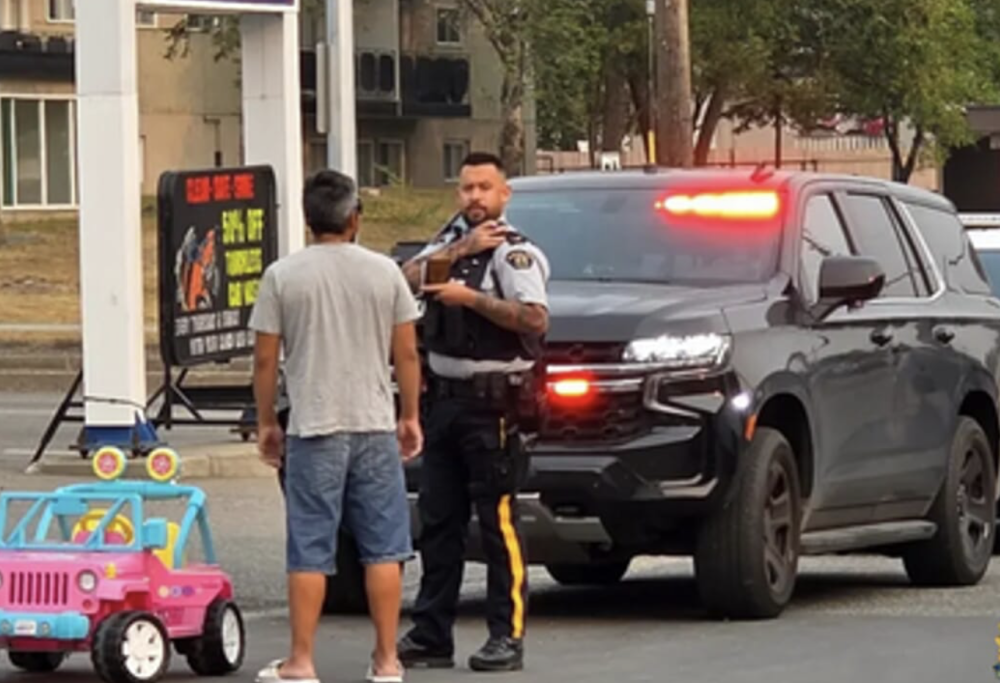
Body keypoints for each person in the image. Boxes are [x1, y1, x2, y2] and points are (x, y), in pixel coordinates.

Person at [249, 169, 424, 683]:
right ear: (354, 218)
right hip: (373, 423)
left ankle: (301, 660)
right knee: (384, 547)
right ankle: (388, 660)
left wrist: (265, 422)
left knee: (309, 546)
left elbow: (264, 360)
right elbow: (407, 351)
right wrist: (408, 414)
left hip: (313, 424)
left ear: (308, 220)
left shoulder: (283, 275)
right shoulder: (384, 273)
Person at [396, 152, 550, 672]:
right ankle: (431, 635)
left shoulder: (515, 255)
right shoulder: (449, 245)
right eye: (466, 189)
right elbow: (404, 281)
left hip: (494, 408)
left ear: (505, 194)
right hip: (444, 404)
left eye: (485, 188)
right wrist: (458, 248)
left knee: (497, 524)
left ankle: (507, 636)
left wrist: (472, 300)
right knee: (439, 523)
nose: (475, 198)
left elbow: (534, 319)